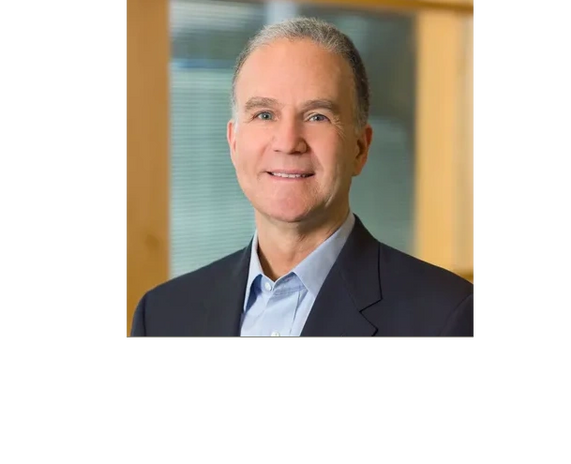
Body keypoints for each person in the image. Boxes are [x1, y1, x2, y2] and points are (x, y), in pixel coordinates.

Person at [131, 17, 476, 337]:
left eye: (317, 116)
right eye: (265, 114)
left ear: (360, 148)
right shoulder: (160, 315)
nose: (288, 142)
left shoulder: (447, 317)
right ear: (234, 142)